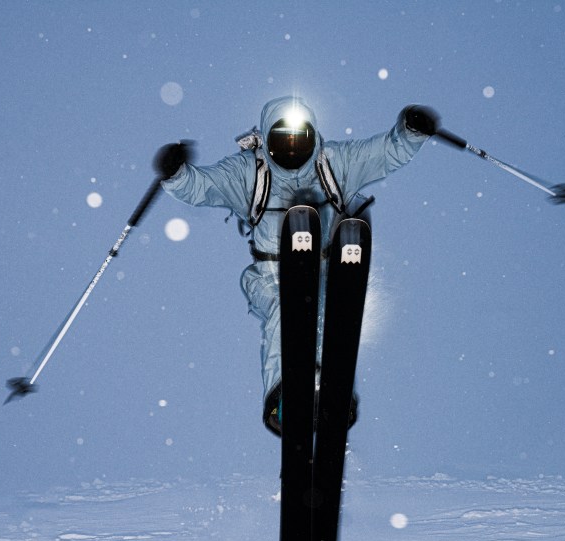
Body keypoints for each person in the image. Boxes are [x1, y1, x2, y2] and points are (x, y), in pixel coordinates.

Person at [156, 96, 439, 436]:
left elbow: (385, 153)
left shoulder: (333, 163)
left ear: (312, 136)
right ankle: (285, 395)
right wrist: (176, 173)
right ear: (267, 139)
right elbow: (202, 187)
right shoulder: (248, 172)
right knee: (286, 308)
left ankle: (330, 390)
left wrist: (411, 131)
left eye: (298, 138)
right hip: (271, 274)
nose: (291, 148)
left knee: (331, 315)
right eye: (283, 139)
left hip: (324, 270)